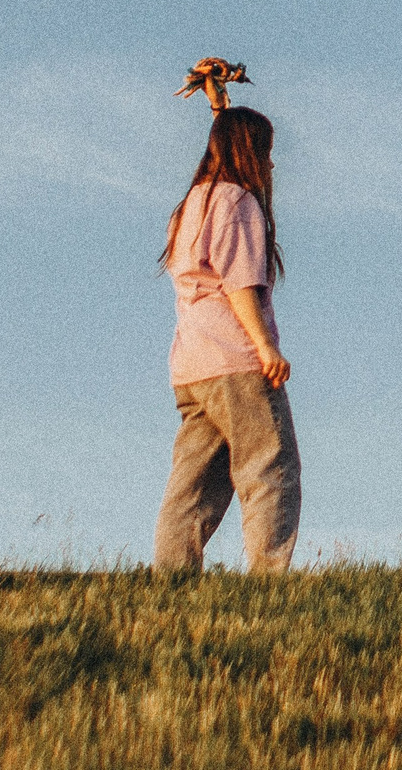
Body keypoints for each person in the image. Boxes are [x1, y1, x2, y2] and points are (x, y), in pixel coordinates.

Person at [152, 102, 300, 572]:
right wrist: (265, 347)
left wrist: (219, 101)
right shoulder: (238, 202)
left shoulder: (191, 204)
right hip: (235, 360)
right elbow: (239, 283)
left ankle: (171, 583)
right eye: (265, 151)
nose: (271, 163)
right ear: (248, 151)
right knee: (271, 470)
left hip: (192, 366)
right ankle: (269, 583)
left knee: (193, 487)